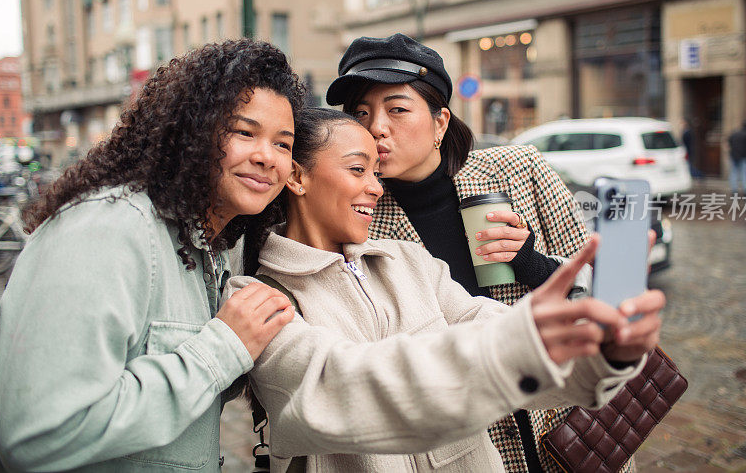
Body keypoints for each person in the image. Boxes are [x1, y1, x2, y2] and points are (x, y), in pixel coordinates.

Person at [232, 107, 664, 472]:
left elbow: (487, 322)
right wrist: (521, 343)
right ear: (297, 178)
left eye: (377, 173)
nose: (376, 187)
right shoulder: (258, 298)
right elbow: (346, 385)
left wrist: (600, 347)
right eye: (358, 169)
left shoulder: (408, 261)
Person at [0, 40, 304, 472]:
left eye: (283, 144)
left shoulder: (205, 244)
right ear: (192, 130)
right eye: (244, 132)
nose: (267, 157)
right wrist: (221, 349)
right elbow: (38, 433)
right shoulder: (107, 230)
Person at [324, 33, 621, 471]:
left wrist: (531, 263)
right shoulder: (359, 221)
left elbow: (606, 294)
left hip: (568, 425)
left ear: (440, 122)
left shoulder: (520, 170)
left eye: (397, 109)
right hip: (468, 446)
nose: (376, 128)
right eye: (362, 113)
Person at [728, 119, 746, 195]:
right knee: (745, 174)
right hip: (744, 156)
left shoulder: (735, 133)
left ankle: (734, 190)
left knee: (734, 173)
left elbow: (729, 142)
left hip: (734, 156)